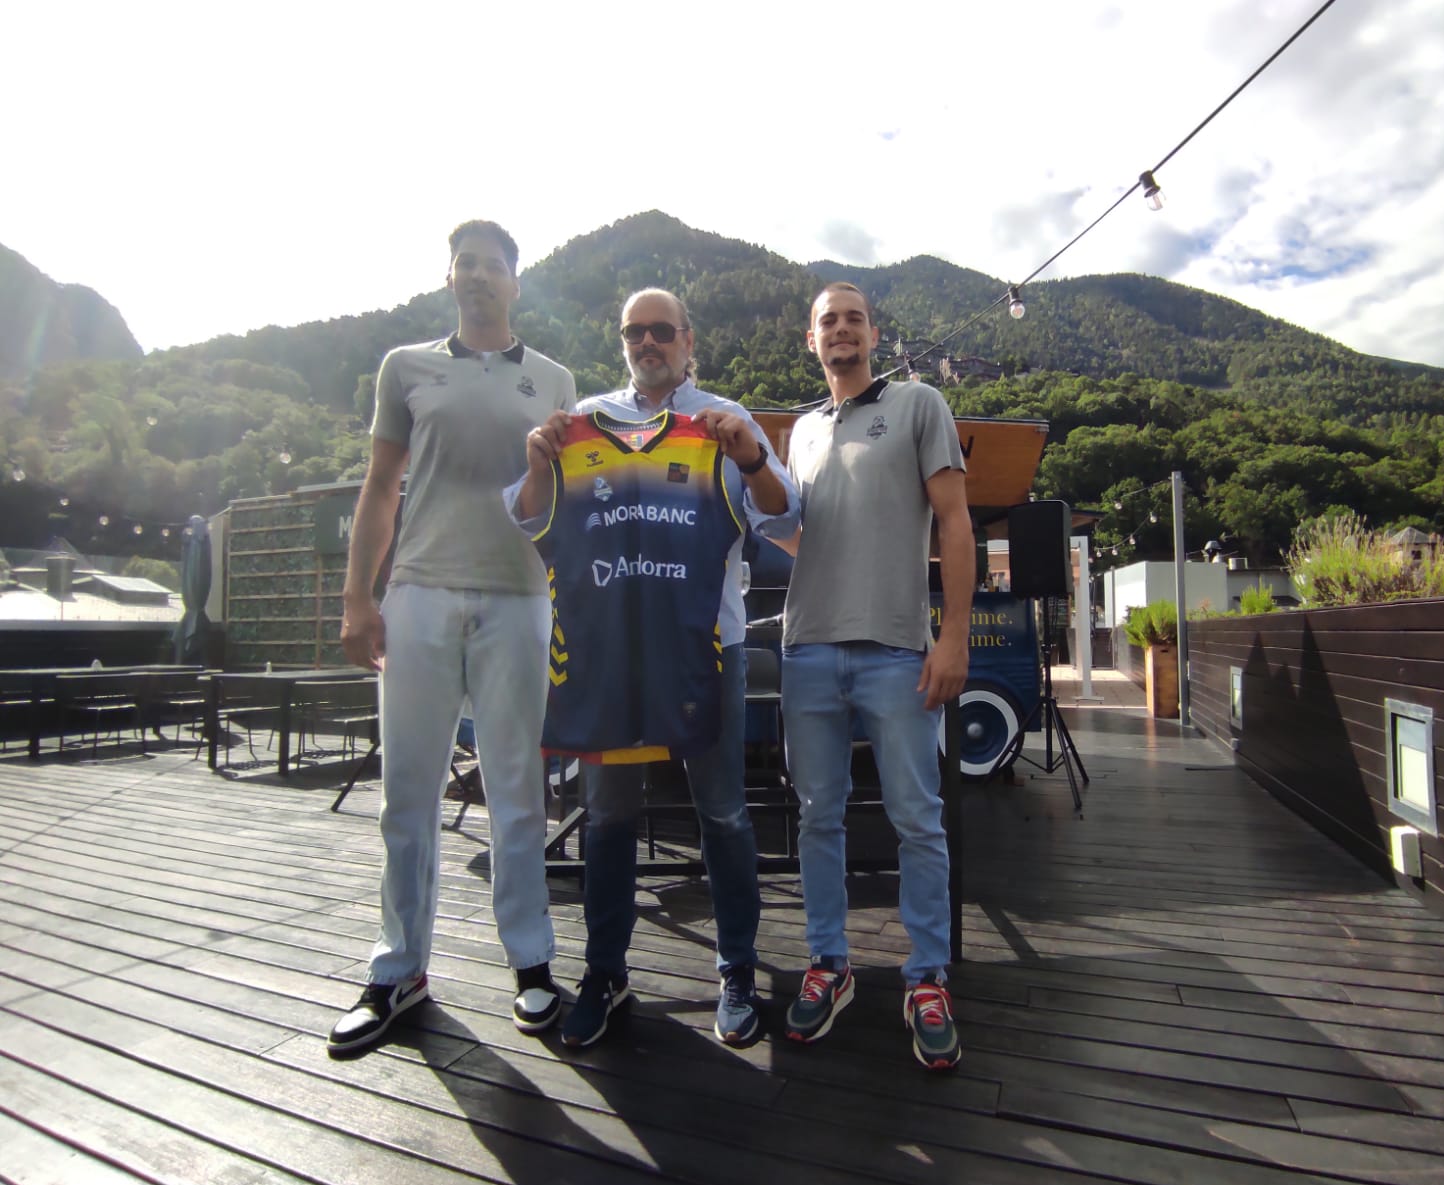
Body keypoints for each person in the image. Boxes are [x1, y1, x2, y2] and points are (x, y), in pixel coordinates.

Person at [507, 287, 798, 1048]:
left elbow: (787, 515)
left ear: (688, 339)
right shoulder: (579, 427)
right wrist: (539, 463)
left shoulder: (724, 423)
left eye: (661, 331)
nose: (647, 342)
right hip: (611, 658)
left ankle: (736, 968)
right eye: (634, 332)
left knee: (725, 813)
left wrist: (753, 455)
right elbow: (527, 517)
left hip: (709, 653)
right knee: (607, 817)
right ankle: (607, 969)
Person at [328, 220, 577, 1057]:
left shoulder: (554, 380)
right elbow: (380, 488)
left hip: (518, 597)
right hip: (419, 596)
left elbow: (559, 510)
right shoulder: (406, 366)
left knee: (517, 791)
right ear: (450, 277)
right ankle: (399, 968)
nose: (477, 276)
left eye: (493, 265)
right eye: (464, 263)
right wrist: (360, 600)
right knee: (408, 795)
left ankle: (533, 964)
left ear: (516, 283)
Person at [779, 282, 973, 1070]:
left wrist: (953, 634)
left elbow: (955, 521)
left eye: (854, 319)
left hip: (898, 649)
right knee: (817, 817)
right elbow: (801, 535)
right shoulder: (798, 431)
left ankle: (926, 977)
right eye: (829, 320)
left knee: (917, 820)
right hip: (809, 650)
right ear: (812, 340)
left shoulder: (921, 404)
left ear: (873, 334)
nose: (842, 330)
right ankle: (830, 963)